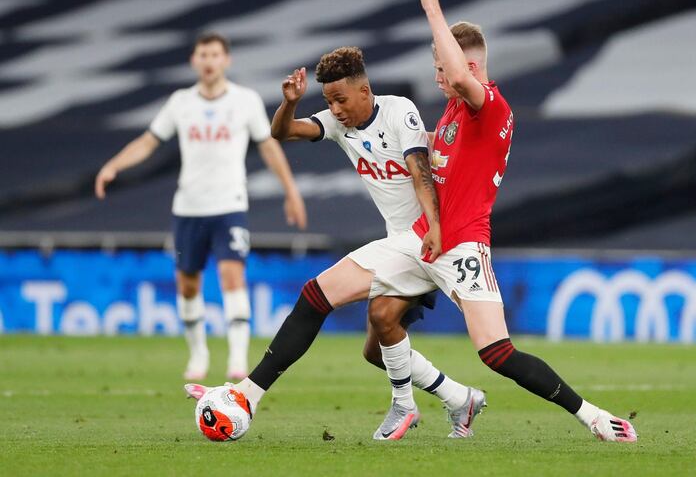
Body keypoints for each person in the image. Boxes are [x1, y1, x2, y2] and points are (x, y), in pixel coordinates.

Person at [365, 0, 638, 443]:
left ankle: (592, 415)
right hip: (424, 241)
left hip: (465, 244)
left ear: (468, 69)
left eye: (441, 69)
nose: (437, 78)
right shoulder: (453, 113)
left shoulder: (488, 106)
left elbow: (456, 77)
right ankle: (452, 398)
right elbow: (439, 150)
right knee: (372, 325)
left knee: (496, 352)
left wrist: (432, 7)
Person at [186, 46, 486, 439]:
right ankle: (460, 398)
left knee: (318, 295)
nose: (336, 109)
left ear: (365, 91)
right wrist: (289, 104)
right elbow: (283, 132)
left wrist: (433, 226)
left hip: (429, 242)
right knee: (376, 347)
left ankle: (250, 393)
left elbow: (420, 174)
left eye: (341, 99)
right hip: (399, 243)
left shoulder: (399, 111)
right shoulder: (338, 122)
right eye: (328, 101)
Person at [95, 32, 307, 381]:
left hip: (230, 204)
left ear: (226, 60)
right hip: (189, 207)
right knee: (188, 284)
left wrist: (291, 191)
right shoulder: (181, 102)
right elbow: (150, 141)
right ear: (194, 61)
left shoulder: (245, 101)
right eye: (202, 55)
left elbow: (269, 147)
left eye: (214, 54)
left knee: (231, 275)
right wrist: (114, 165)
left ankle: (238, 360)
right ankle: (198, 355)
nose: (208, 61)